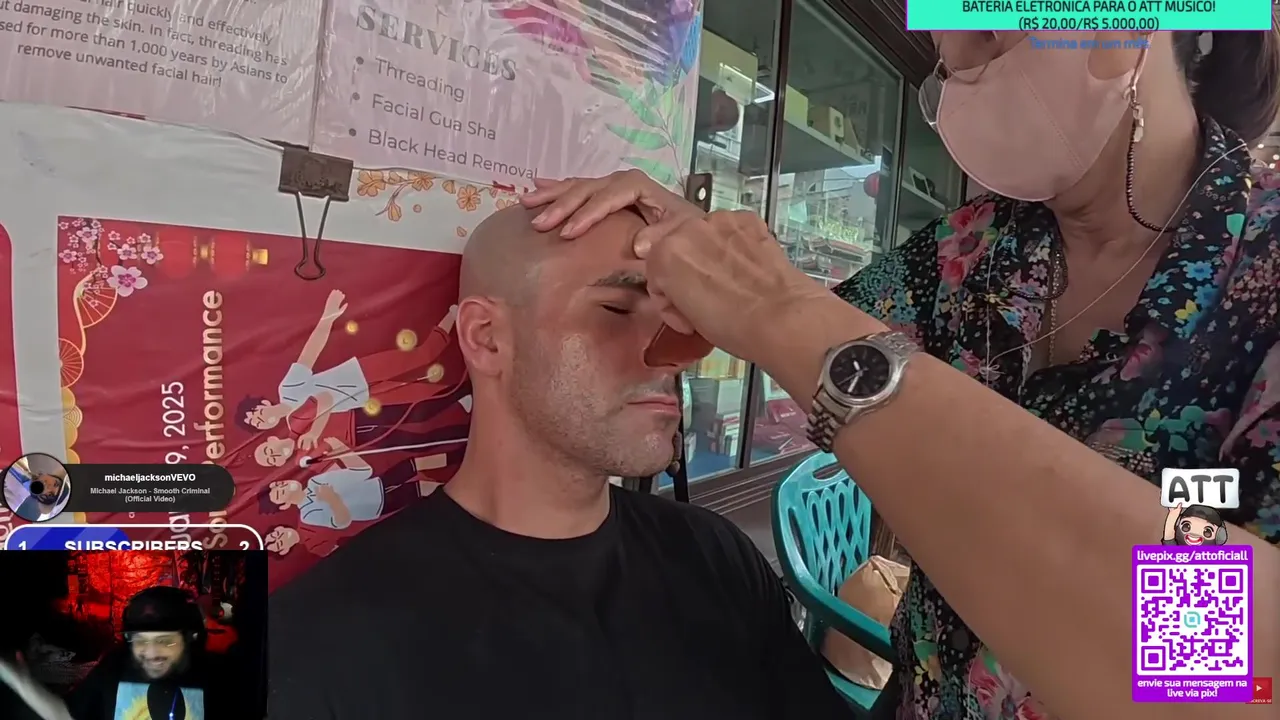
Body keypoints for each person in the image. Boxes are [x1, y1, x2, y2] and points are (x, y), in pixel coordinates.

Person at [515, 29, 1280, 720]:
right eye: (946, 61)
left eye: (985, 40)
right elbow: (792, 317)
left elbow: (1239, 677)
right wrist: (709, 271)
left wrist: (786, 317)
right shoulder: (971, 250)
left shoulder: (1261, 286)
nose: (960, 87)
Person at [268, 206, 855, 718]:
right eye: (617, 309)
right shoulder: (318, 648)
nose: (675, 355)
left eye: (679, 319)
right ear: (488, 337)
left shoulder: (718, 557)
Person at [68, 586, 235, 720]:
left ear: (190, 638)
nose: (151, 652)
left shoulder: (219, 677)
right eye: (141, 640)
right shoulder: (114, 667)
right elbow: (69, 713)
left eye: (164, 641)